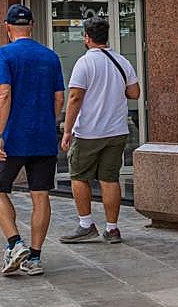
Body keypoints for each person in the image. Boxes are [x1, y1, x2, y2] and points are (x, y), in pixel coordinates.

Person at [0, 4, 65, 276]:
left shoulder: (5, 54)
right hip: (44, 136)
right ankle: (34, 256)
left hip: (13, 137)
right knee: (40, 194)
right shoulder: (50, 56)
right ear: (31, 26)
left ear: (7, 27)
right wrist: (48, 121)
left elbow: (3, 94)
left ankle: (14, 242)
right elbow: (59, 98)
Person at [59, 17, 139, 244]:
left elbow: (74, 97)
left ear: (87, 37)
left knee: (79, 176)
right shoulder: (122, 61)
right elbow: (134, 93)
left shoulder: (84, 63)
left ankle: (86, 224)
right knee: (109, 179)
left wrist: (67, 130)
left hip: (89, 131)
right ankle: (112, 229)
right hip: (117, 130)